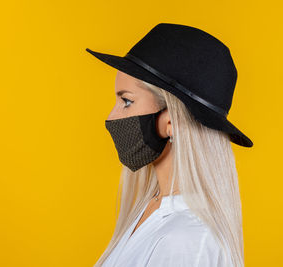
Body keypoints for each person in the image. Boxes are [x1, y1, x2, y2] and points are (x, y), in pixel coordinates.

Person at [86, 23, 253, 267]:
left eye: (126, 101)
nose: (111, 117)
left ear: (172, 121)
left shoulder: (186, 241)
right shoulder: (152, 209)